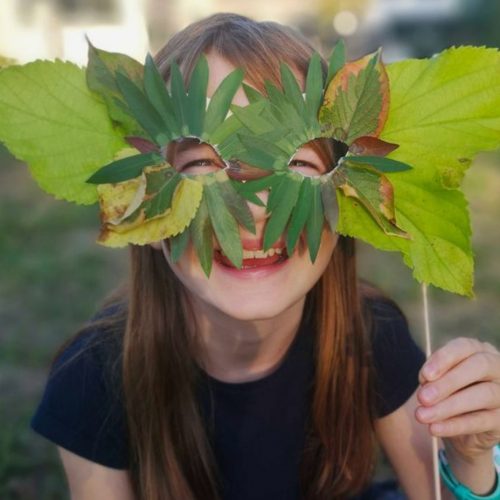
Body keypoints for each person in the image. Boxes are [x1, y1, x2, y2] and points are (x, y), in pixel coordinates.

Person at [29, 13, 500, 500]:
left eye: (296, 164)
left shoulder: (370, 335)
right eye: (204, 167)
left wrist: (470, 460)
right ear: (140, 213)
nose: (254, 211)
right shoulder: (95, 377)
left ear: (350, 200)